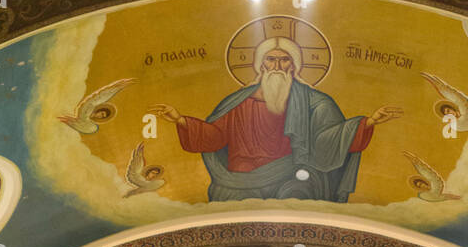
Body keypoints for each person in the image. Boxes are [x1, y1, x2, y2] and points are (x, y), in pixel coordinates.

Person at [153, 36, 401, 201]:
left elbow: (330, 138)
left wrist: (368, 122)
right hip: (238, 179)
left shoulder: (314, 102)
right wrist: (181, 121)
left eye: (284, 60)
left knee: (300, 194)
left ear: (294, 66)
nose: (277, 65)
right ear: (261, 65)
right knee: (225, 197)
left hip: (291, 175)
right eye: (271, 59)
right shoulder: (238, 101)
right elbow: (215, 137)